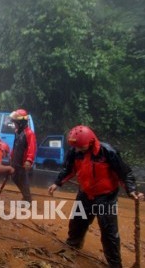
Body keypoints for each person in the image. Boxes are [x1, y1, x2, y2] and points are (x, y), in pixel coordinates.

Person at [48, 125, 143, 267]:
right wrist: (57, 183)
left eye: (81, 146)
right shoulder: (75, 151)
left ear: (91, 141)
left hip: (106, 197)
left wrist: (132, 190)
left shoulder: (107, 152)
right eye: (76, 147)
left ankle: (115, 264)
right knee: (77, 222)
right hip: (85, 193)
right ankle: (73, 245)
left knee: (109, 232)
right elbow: (68, 169)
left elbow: (124, 173)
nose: (78, 149)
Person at [9, 109, 36, 203]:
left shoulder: (29, 133)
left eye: (15, 123)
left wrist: (29, 160)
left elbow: (31, 147)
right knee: (14, 177)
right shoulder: (17, 131)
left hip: (23, 162)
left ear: (21, 123)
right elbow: (15, 145)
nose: (14, 124)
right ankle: (25, 196)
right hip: (16, 160)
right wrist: (11, 156)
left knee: (23, 181)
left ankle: (27, 200)